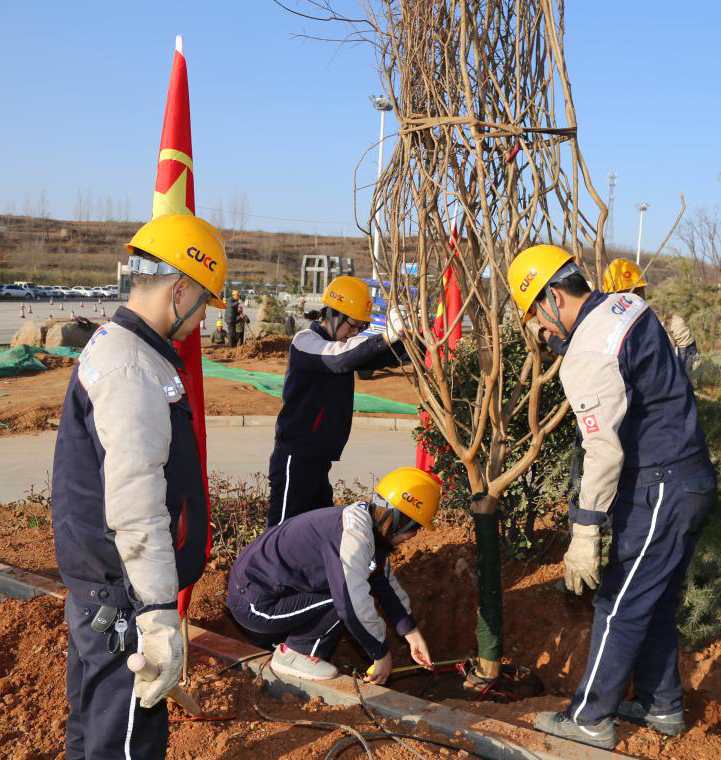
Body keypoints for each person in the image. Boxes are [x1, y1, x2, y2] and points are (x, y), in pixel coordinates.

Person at [507, 245, 716, 748]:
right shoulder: (629, 307)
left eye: (537, 313)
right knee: (656, 601)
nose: (541, 327)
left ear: (554, 296)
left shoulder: (587, 352)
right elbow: (629, 374)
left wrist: (584, 529)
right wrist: (560, 345)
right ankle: (659, 703)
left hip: (659, 484)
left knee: (617, 603)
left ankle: (589, 718)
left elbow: (602, 449)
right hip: (690, 478)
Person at [51, 214, 227, 759]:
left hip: (104, 585)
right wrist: (155, 613)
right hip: (123, 594)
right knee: (126, 742)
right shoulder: (131, 367)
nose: (203, 320)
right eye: (203, 305)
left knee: (93, 729)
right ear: (181, 291)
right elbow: (136, 500)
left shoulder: (125, 348)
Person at [226, 466, 438, 683]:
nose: (412, 536)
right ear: (397, 520)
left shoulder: (365, 527)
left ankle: (296, 645)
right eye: (414, 528)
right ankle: (295, 654)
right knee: (344, 595)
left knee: (349, 585)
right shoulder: (353, 535)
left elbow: (382, 581)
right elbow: (350, 604)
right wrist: (380, 652)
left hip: (263, 590)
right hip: (254, 604)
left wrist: (412, 633)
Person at [265, 275, 410, 527]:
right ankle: (261, 568)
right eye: (352, 326)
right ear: (332, 314)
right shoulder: (307, 342)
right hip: (295, 455)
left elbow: (379, 356)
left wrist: (411, 339)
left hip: (318, 460)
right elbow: (339, 358)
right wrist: (386, 336)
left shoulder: (342, 347)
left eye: (360, 329)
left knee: (318, 531)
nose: (353, 334)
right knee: (279, 533)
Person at [603, 258, 699, 377]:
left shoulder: (662, 325)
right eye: (626, 293)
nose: (633, 298)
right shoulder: (604, 332)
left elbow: (686, 375)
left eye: (637, 292)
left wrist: (685, 348)